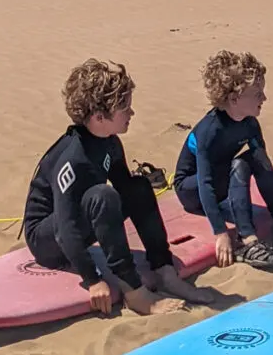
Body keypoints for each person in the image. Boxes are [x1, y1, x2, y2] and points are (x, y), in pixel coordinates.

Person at [22, 59, 213, 315]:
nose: (131, 114)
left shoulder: (109, 142)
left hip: (78, 222)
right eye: (125, 108)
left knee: (138, 187)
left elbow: (129, 194)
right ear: (99, 117)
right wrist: (92, 279)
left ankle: (164, 270)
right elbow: (65, 228)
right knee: (103, 195)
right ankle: (133, 292)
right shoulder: (73, 158)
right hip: (47, 238)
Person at [173, 50, 273, 269]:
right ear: (234, 99)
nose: (264, 98)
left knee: (257, 156)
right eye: (257, 93)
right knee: (239, 164)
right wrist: (220, 232)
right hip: (191, 190)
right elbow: (205, 183)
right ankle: (247, 241)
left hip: (220, 181)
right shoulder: (209, 131)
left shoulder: (250, 124)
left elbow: (265, 170)